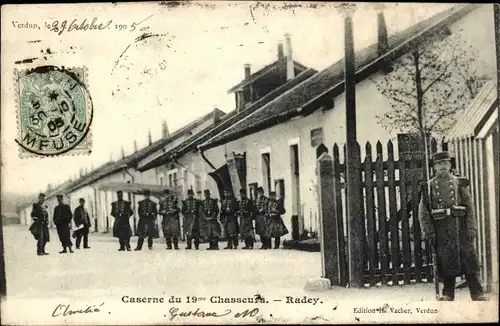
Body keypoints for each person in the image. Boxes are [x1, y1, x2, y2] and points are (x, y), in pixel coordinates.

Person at [418, 151, 488, 301]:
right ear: (434, 167)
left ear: (450, 165)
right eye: (439, 164)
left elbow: (469, 206)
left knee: (469, 259)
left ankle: (477, 293)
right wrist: (429, 231)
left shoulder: (459, 183)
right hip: (441, 229)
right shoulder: (428, 186)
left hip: (460, 228)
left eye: (445, 163)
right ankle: (448, 293)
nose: (442, 167)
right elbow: (423, 211)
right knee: (446, 260)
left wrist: (471, 227)